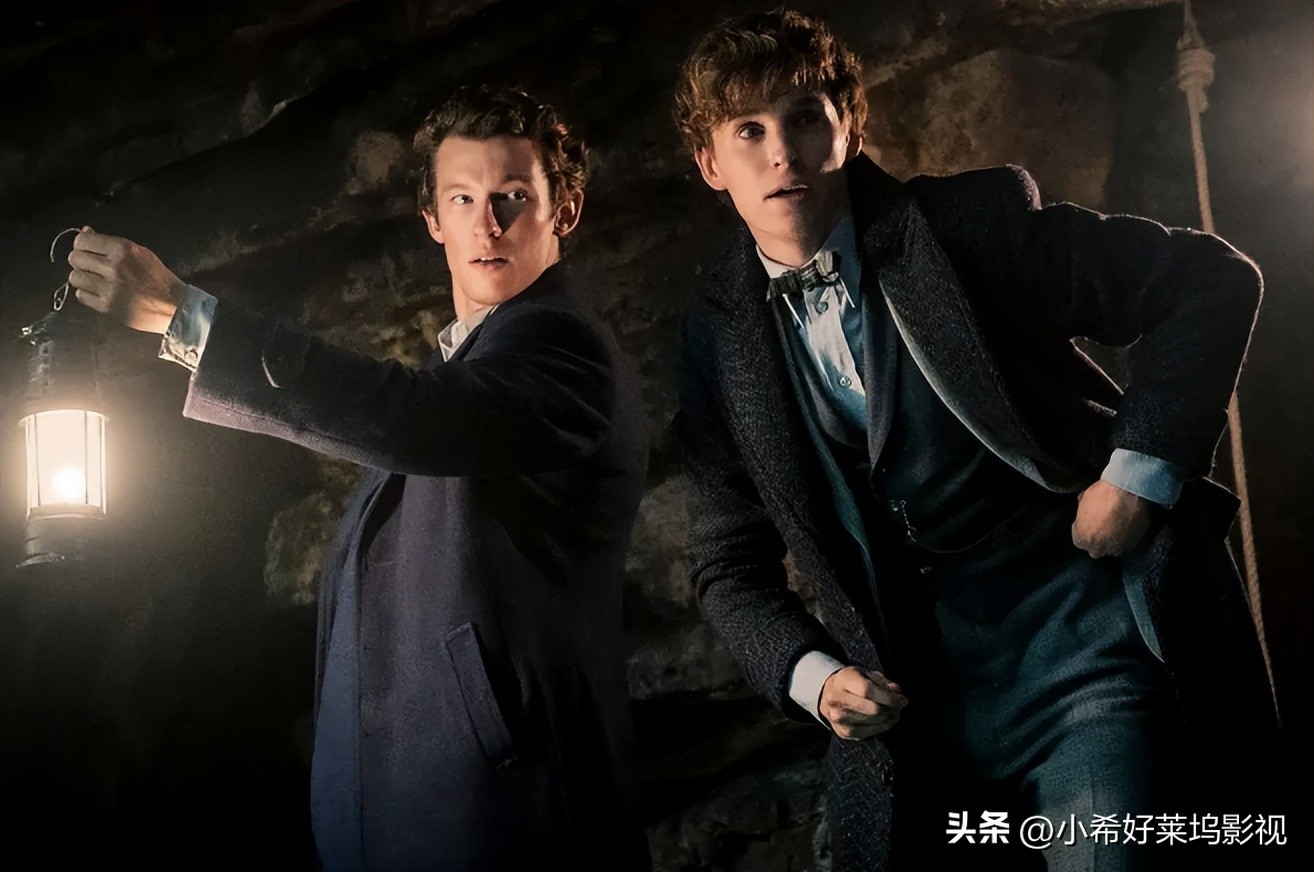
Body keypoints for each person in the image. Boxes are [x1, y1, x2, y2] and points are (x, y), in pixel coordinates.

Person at [673, 9, 1277, 871]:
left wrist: (1137, 475)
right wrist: (814, 677)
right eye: (748, 130)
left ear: (851, 126)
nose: (783, 153)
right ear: (710, 163)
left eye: (805, 117)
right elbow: (727, 562)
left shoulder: (968, 228)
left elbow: (1207, 280)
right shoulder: (717, 340)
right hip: (920, 718)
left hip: (1083, 662)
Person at [67, 85, 650, 872]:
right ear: (432, 219)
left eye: (513, 196)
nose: (488, 223)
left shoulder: (560, 347)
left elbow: (405, 415)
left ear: (564, 211)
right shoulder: (472, 364)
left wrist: (188, 317)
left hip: (505, 820)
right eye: (463, 198)